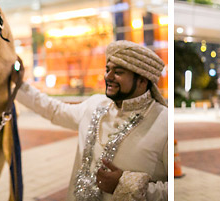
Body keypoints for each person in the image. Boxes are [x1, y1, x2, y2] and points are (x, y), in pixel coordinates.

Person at [16, 40, 168, 200]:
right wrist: (18, 85)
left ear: (143, 81)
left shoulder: (163, 122)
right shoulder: (95, 104)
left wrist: (126, 185)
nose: (108, 76)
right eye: (107, 69)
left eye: (119, 72)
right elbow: (54, 110)